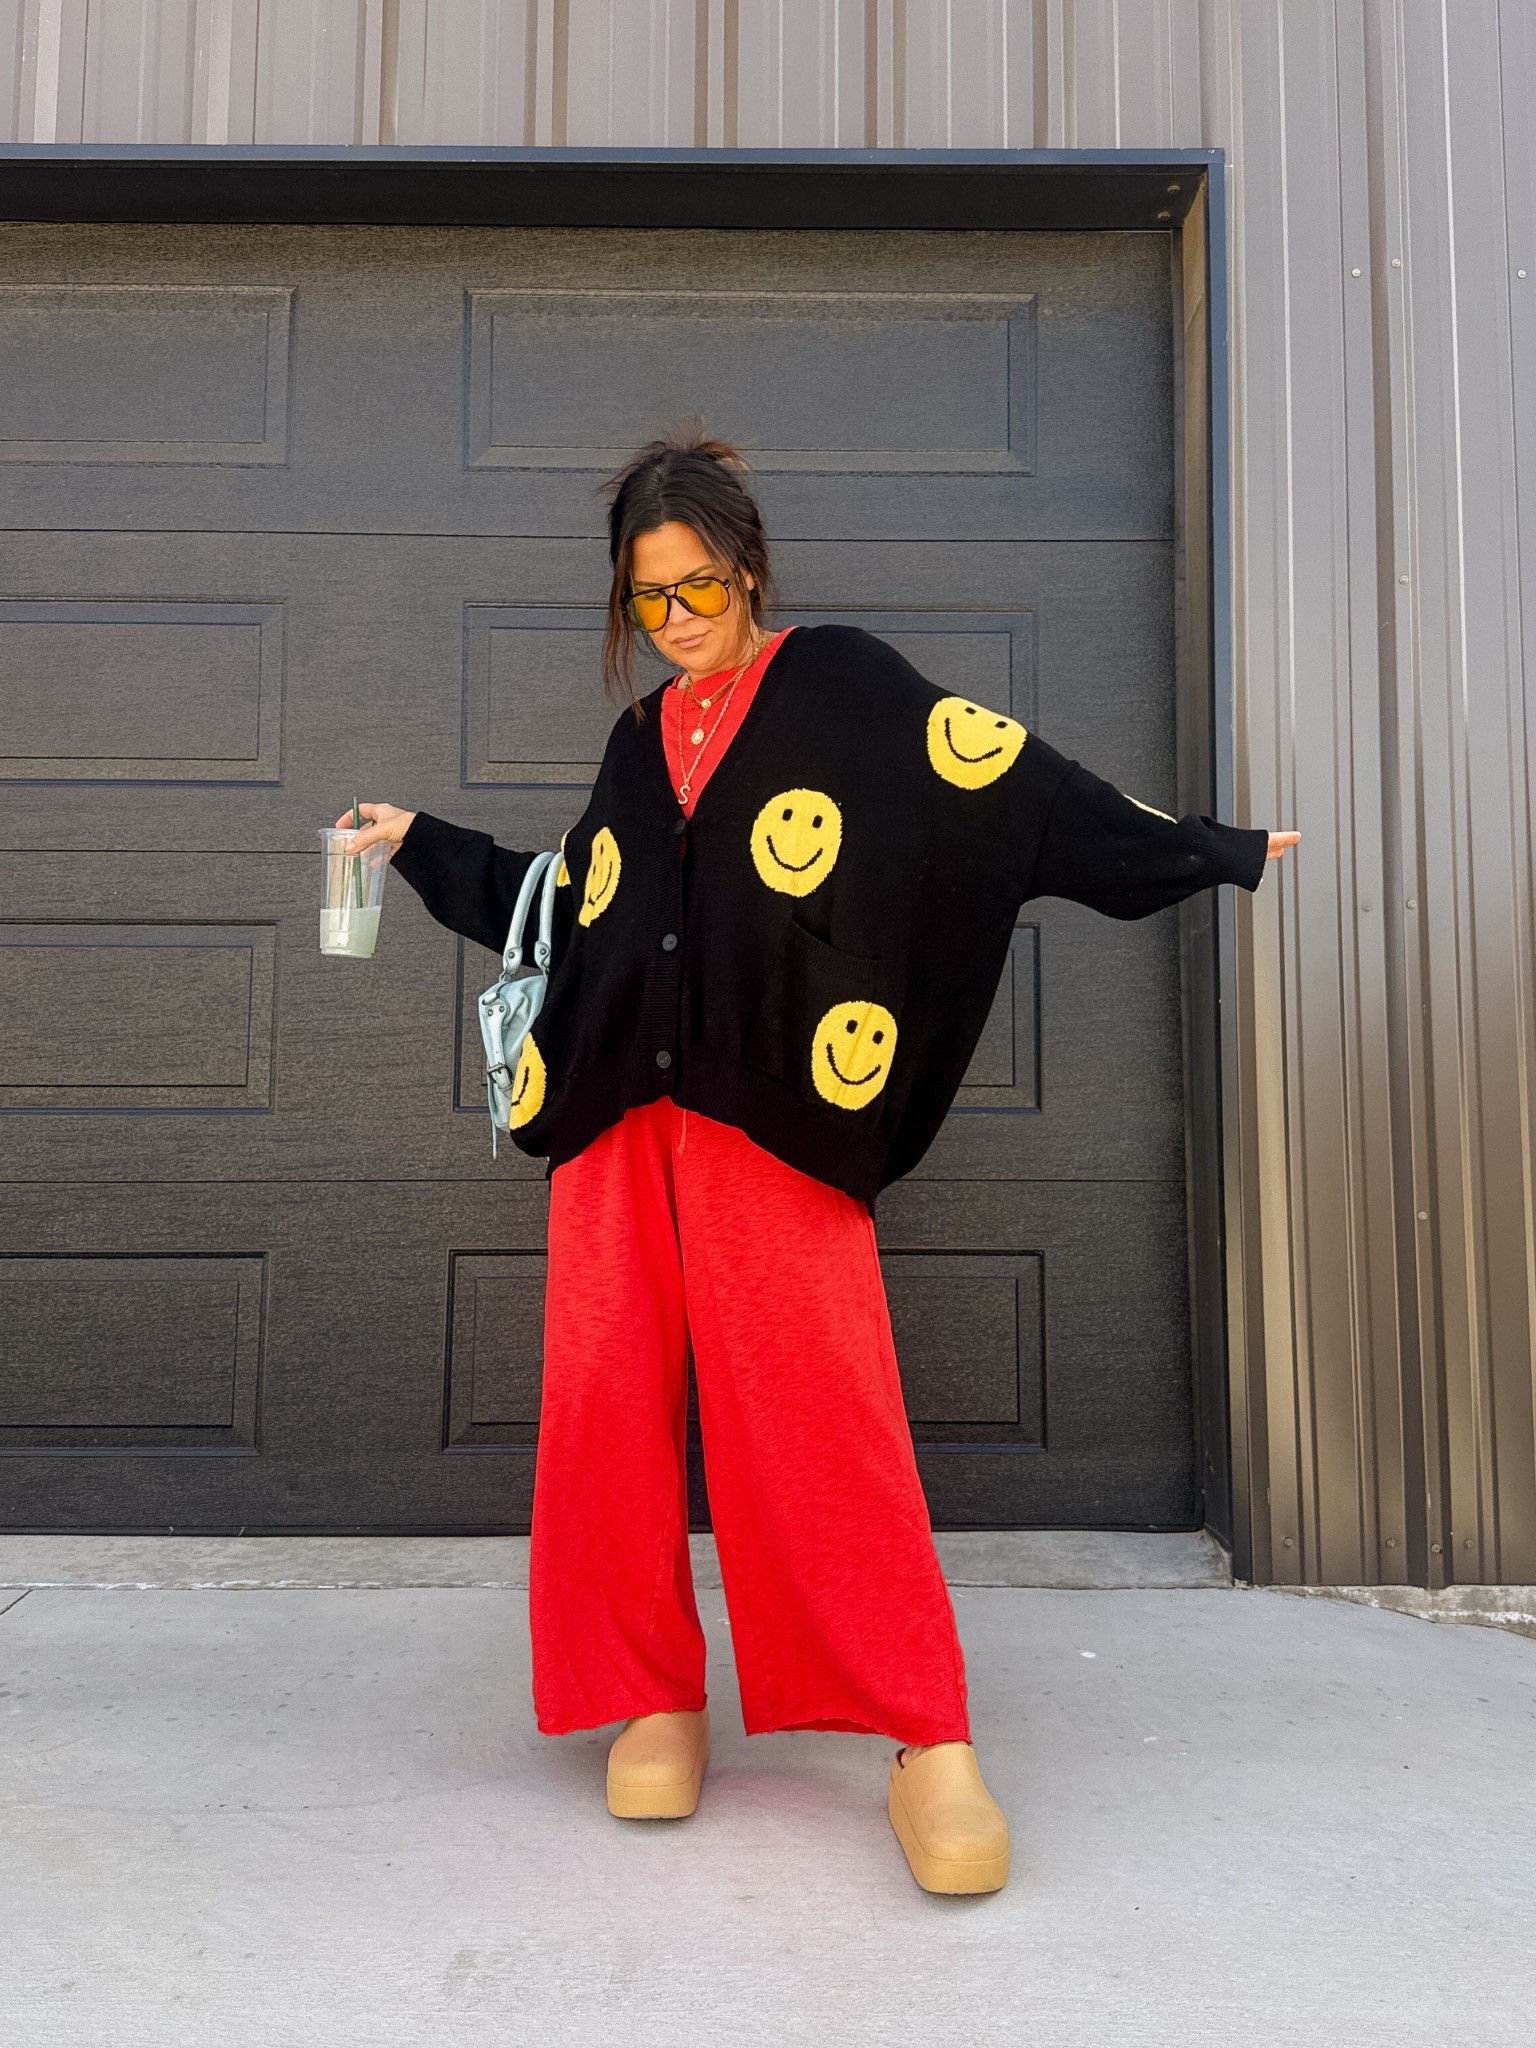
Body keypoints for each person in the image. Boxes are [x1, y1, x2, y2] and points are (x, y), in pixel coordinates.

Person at [339, 431, 1299, 1896]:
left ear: (751, 566)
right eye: (646, 602)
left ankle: (928, 1739)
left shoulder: (841, 683)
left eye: (698, 589)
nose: (675, 623)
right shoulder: (635, 742)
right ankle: (655, 1692)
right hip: (611, 1128)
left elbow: (1010, 791)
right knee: (604, 1410)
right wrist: (420, 845)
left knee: (820, 1416)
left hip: (768, 1122)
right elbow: (571, 905)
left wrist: (1205, 849)